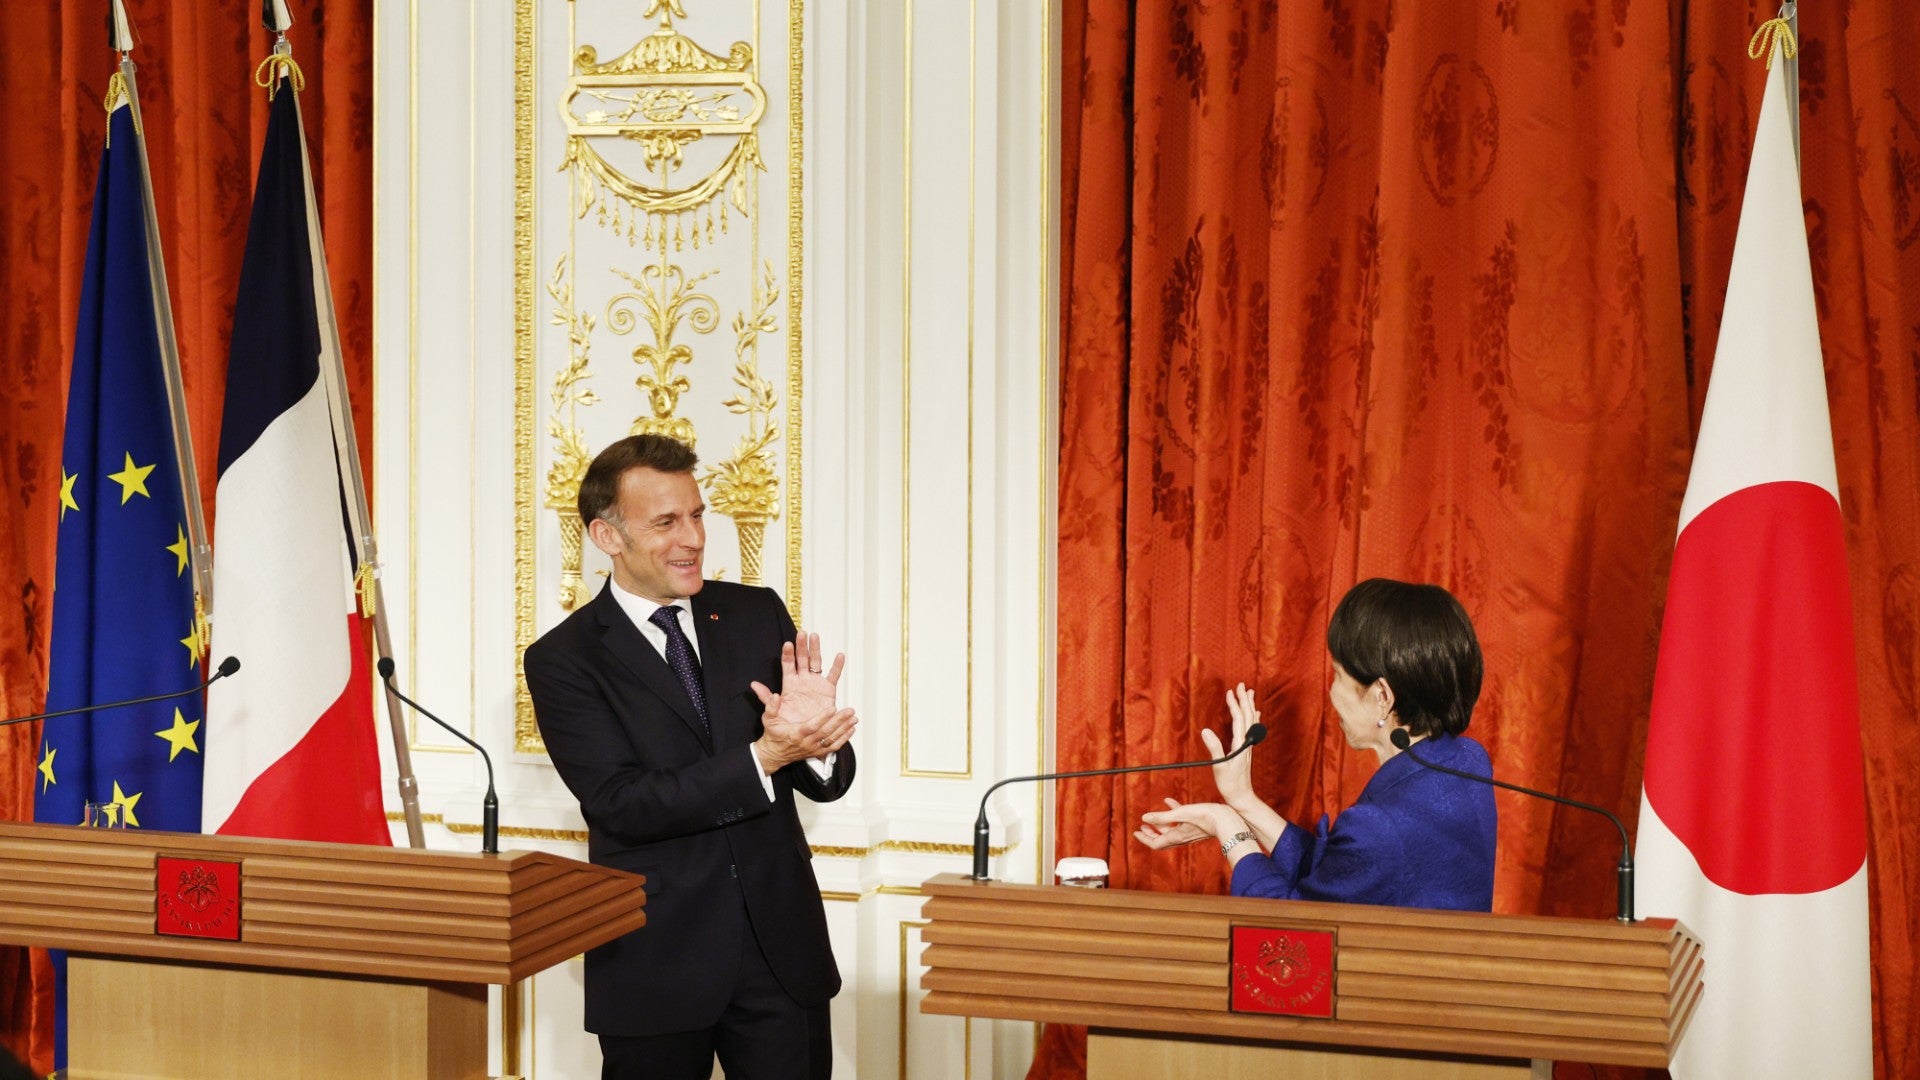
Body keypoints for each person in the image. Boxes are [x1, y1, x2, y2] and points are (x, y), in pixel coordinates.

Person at [523, 434, 857, 1079]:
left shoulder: (756, 613)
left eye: (698, 515)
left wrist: (818, 741)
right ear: (607, 536)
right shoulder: (564, 659)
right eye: (666, 522)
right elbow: (621, 804)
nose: (694, 538)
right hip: (657, 960)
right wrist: (763, 757)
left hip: (781, 956)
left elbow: (824, 780)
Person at [1134, 578, 1496, 911]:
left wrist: (1226, 825)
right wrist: (1242, 799)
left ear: (1382, 696)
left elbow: (1293, 925)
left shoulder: (1378, 828)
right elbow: (1342, 875)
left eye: (1338, 674)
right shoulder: (1468, 760)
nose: (1332, 692)